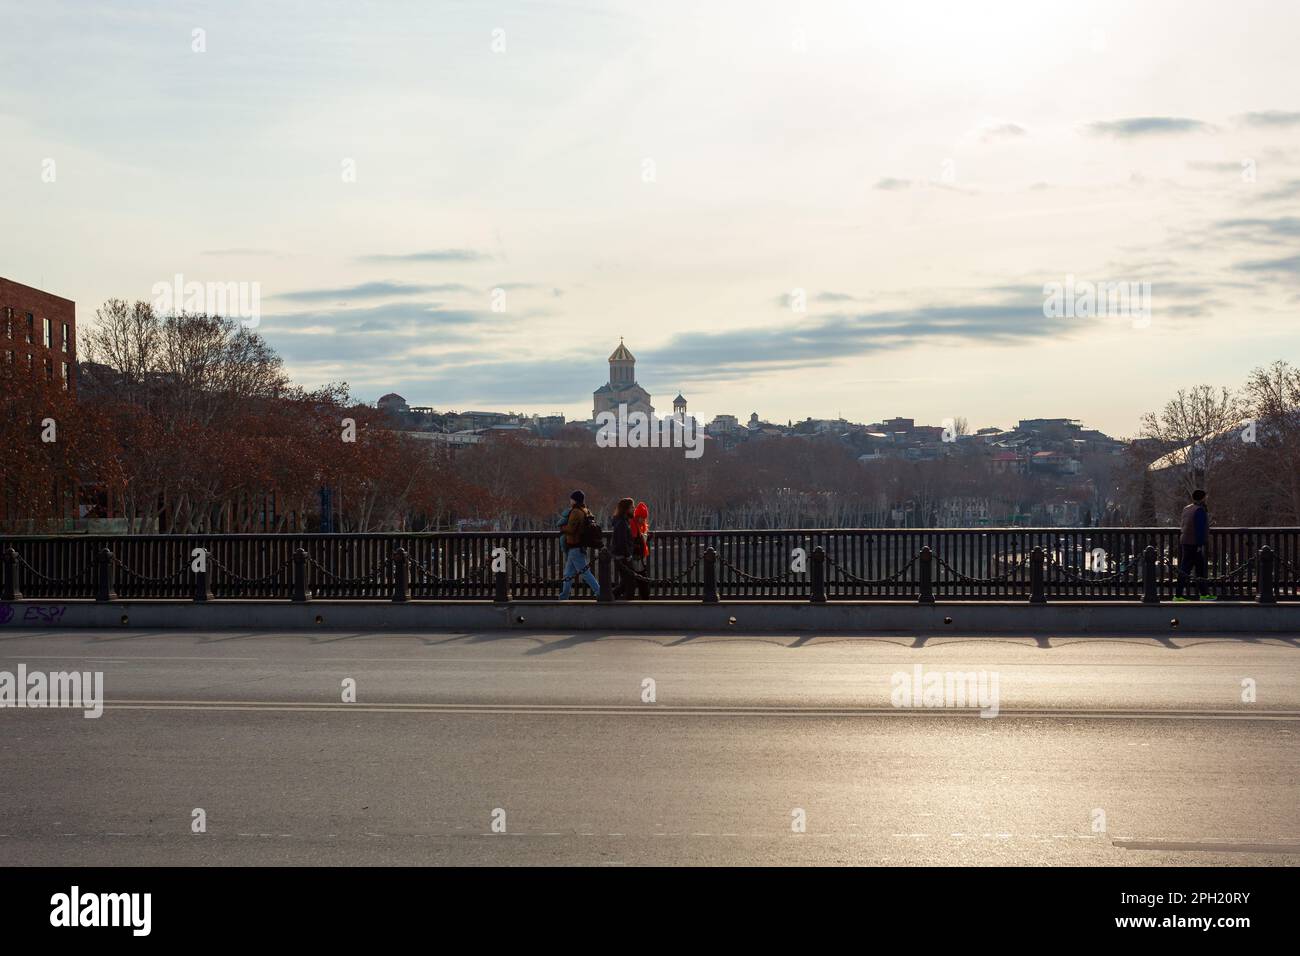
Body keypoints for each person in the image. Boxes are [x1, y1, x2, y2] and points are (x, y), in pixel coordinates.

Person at [558, 490, 600, 600]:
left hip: (575, 545)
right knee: (568, 574)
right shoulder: (585, 510)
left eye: (571, 499)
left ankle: (600, 592)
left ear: (575, 500)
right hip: (579, 545)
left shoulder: (576, 512)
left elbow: (571, 529)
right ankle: (563, 596)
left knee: (585, 573)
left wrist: (562, 528)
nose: (570, 501)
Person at [1175, 489, 1214, 601]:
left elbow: (1185, 525)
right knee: (1192, 569)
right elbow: (1200, 529)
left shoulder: (1187, 508)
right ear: (1202, 498)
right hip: (1194, 543)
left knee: (1191, 568)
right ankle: (1181, 595)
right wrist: (1200, 544)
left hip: (1185, 541)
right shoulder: (1200, 510)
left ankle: (1201, 593)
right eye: (1205, 497)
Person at [610, 497, 635, 599]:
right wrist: (628, 555)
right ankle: (626, 602)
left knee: (625, 583)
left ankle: (610, 596)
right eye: (632, 507)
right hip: (623, 557)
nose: (634, 509)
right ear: (626, 509)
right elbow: (622, 541)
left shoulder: (622, 521)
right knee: (630, 583)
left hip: (620, 557)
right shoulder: (622, 523)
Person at [629, 501, 651, 600]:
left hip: (639, 557)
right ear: (637, 516)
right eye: (642, 517)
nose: (643, 520)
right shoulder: (633, 524)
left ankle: (644, 598)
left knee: (637, 580)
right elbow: (633, 540)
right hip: (636, 557)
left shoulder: (640, 525)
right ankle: (645, 598)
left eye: (644, 518)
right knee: (639, 580)